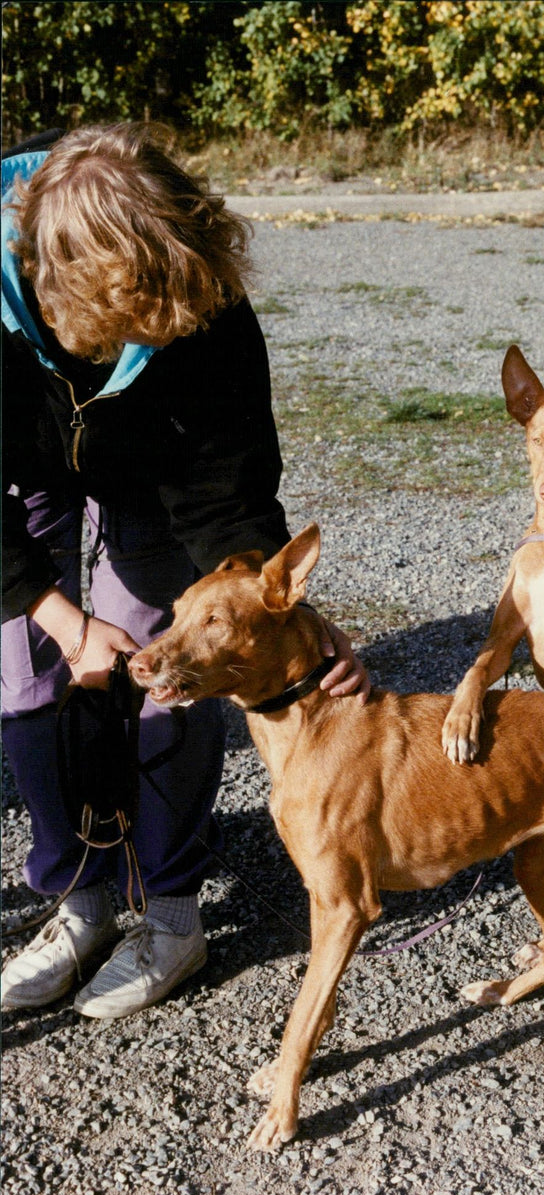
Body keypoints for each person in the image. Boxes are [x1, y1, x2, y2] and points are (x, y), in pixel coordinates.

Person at [1, 124, 369, 1019]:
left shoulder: (203, 293)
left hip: (148, 476)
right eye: (132, 326)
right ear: (62, 291)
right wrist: (62, 617)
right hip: (22, 454)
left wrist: (301, 631)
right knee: (26, 675)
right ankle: (79, 905)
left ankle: (170, 914)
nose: (157, 333)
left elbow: (229, 493)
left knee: (175, 677)